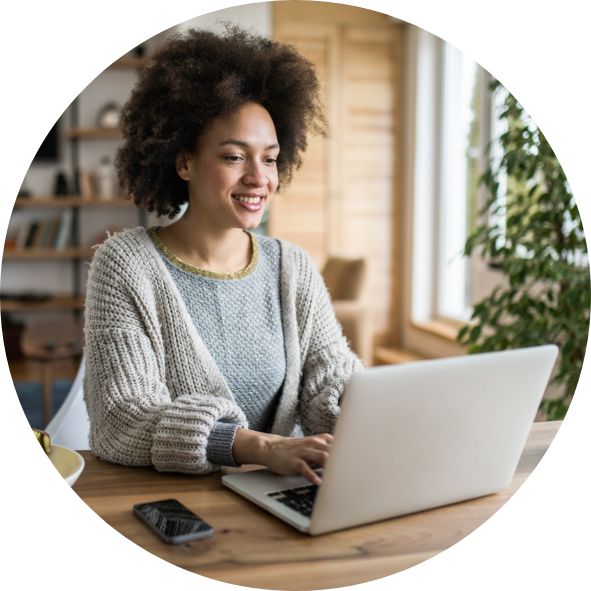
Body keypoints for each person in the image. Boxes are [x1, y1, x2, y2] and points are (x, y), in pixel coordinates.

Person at [83, 26, 363, 486]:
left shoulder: (292, 267)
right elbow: (122, 419)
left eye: (270, 159)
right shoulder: (125, 265)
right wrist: (261, 447)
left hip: (284, 494)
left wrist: (364, 410)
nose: (259, 178)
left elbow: (329, 379)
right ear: (184, 162)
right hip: (179, 507)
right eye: (235, 157)